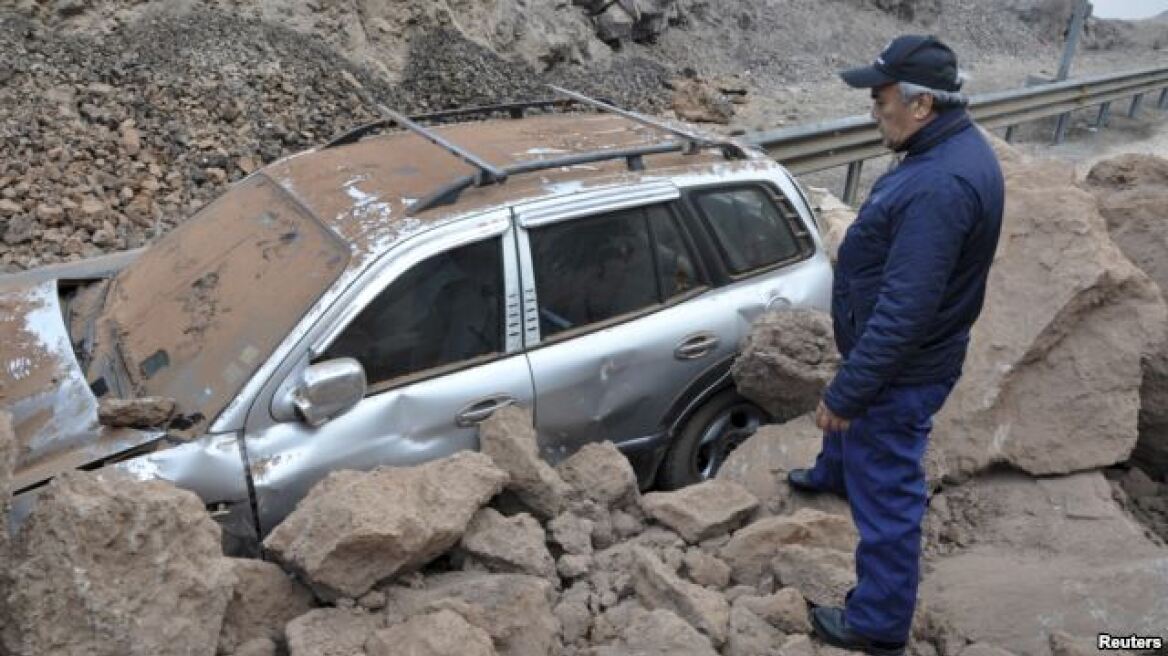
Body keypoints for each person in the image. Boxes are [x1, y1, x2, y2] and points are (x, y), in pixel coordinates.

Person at [786, 35, 1005, 655]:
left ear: (922, 104)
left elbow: (905, 314)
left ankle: (878, 622)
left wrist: (850, 392)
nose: (872, 110)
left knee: (889, 493)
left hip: (902, 371)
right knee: (855, 424)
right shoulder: (937, 150)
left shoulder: (941, 185)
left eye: (879, 99)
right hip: (890, 354)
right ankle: (835, 471)